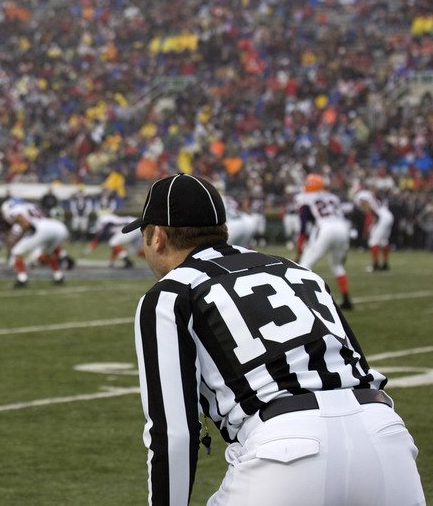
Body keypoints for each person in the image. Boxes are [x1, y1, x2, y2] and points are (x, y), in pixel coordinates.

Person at [124, 173, 424, 506]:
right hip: (385, 437)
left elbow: (173, 432)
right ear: (222, 229)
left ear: (158, 237)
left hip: (285, 449)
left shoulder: (171, 293)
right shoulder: (298, 271)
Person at [294, 173, 353, 310]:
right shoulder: (332, 197)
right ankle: (346, 299)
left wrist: (299, 248)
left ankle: (302, 300)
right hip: (342, 228)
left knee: (304, 265)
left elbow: (304, 226)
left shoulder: (305, 198)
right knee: (337, 265)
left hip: (324, 228)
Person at [354, 188, 395, 272]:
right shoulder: (370, 195)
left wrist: (367, 227)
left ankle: (375, 265)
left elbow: (368, 209)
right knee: (384, 241)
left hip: (381, 217)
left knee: (373, 242)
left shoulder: (362, 196)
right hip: (388, 215)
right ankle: (385, 264)